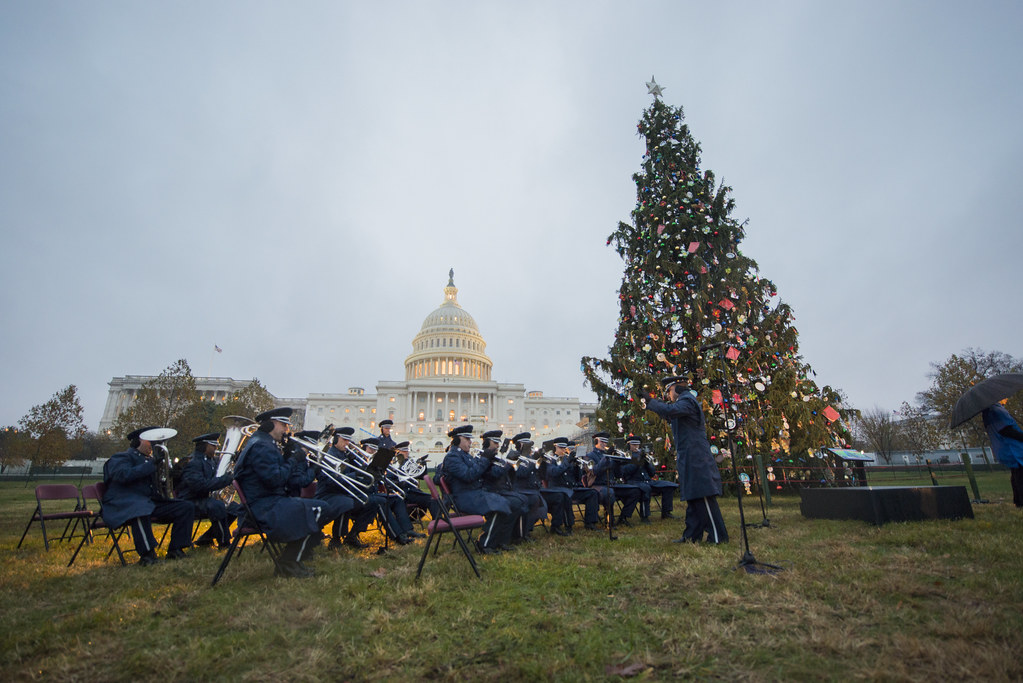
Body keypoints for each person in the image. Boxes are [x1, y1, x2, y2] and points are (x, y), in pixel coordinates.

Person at [233, 408, 332, 578]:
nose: (286, 429)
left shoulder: (263, 443)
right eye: (283, 425)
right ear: (271, 423)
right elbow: (276, 479)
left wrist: (287, 456)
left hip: (267, 501)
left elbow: (276, 475)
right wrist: (294, 459)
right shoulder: (262, 446)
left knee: (317, 507)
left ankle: (291, 560)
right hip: (263, 507)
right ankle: (289, 562)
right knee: (319, 509)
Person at [644, 376, 728, 544]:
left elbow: (670, 411)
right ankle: (691, 535)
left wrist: (651, 401)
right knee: (693, 496)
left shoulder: (687, 400)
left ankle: (718, 537)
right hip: (690, 456)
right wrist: (654, 404)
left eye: (669, 391)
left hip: (696, 456)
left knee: (703, 496)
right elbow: (670, 413)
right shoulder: (683, 403)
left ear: (676, 388)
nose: (668, 396)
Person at [102, 426, 195, 565]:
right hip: (127, 504)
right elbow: (122, 475)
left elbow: (162, 483)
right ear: (139, 441)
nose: (153, 445)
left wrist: (175, 475)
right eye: (150, 441)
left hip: (150, 502)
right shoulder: (121, 457)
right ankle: (148, 554)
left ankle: (176, 549)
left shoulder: (151, 460)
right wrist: (151, 465)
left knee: (185, 507)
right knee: (139, 510)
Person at [440, 425, 516, 554]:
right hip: (463, 497)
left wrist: (488, 461)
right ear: (457, 440)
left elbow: (478, 472)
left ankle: (495, 541)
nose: (470, 442)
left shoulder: (464, 455)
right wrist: (485, 459)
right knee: (500, 506)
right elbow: (468, 476)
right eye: (467, 439)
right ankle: (484, 544)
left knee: (506, 504)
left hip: (473, 493)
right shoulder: (452, 457)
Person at [177, 432, 237, 548]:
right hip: (191, 499)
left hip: (204, 498)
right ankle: (224, 543)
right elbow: (199, 485)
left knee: (235, 508)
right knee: (217, 506)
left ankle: (206, 538)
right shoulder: (193, 462)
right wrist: (225, 480)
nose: (216, 448)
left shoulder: (211, 460)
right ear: (205, 446)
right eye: (213, 446)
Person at [479, 430, 534, 542]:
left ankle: (509, 537)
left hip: (501, 490)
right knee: (517, 503)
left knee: (521, 501)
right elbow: (494, 474)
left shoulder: (494, 457)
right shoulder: (483, 457)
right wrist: (508, 463)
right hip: (491, 491)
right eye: (495, 443)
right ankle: (503, 538)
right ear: (487, 442)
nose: (498, 445)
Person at [512, 432, 570, 536]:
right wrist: (534, 459)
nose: (530, 447)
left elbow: (544, 476)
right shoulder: (514, 456)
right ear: (520, 445)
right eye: (527, 444)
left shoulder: (530, 457)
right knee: (535, 500)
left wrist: (542, 462)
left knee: (559, 496)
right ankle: (525, 531)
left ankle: (556, 526)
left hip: (536, 490)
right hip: (522, 490)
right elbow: (522, 473)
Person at [582, 432, 642, 528]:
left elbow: (618, 474)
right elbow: (595, 471)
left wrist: (618, 462)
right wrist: (606, 458)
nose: (605, 444)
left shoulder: (609, 455)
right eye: (602, 442)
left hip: (612, 484)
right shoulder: (589, 456)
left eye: (606, 442)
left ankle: (623, 517)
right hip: (597, 485)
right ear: (596, 441)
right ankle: (609, 522)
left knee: (635, 491)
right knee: (609, 493)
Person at [544, 437, 600, 530]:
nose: (563, 450)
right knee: (565, 497)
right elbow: (554, 472)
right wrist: (567, 462)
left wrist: (577, 466)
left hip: (571, 488)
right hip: (558, 489)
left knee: (592, 493)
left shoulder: (567, 459)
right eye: (560, 448)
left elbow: (577, 478)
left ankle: (590, 522)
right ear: (555, 447)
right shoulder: (550, 459)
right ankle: (567, 525)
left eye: (564, 448)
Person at [622, 436, 678, 520]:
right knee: (646, 489)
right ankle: (645, 516)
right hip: (634, 482)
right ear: (628, 445)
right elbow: (625, 472)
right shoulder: (625, 456)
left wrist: (647, 463)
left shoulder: (642, 455)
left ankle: (666, 513)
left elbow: (652, 473)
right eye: (633, 445)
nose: (636, 447)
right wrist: (638, 461)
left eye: (637, 445)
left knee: (669, 486)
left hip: (647, 481)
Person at [981, 399, 1023, 507]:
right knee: (1019, 474)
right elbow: (1006, 430)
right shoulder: (996, 410)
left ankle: (1018, 501)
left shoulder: (987, 411)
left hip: (1004, 448)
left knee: (1016, 474)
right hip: (1013, 448)